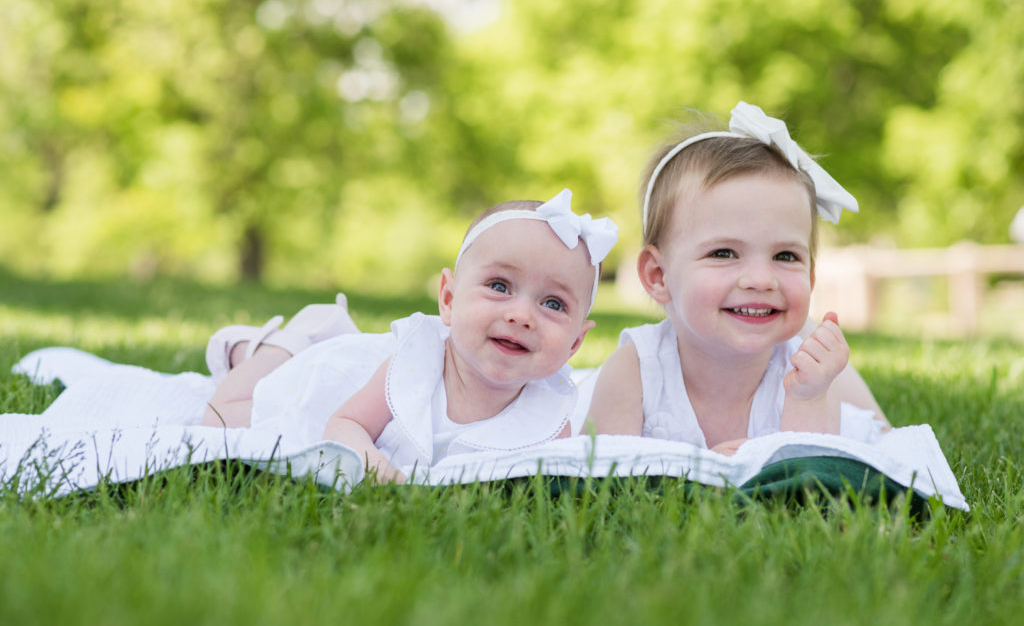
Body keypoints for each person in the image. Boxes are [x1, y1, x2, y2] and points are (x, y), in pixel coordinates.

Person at [203, 189, 618, 483]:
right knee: (221, 418)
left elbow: (551, 485)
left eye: (553, 304)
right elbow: (345, 422)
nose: (522, 315)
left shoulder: (550, 417)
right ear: (449, 299)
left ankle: (325, 332)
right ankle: (287, 342)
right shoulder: (417, 361)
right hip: (337, 387)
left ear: (575, 345)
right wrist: (376, 472)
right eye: (499, 286)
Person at [585, 102, 888, 455]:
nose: (761, 280)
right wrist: (704, 472)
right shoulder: (635, 369)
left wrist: (808, 398)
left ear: (811, 274)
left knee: (880, 437)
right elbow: (604, 478)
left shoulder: (807, 374)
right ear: (658, 276)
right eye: (724, 253)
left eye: (785, 256)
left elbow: (812, 479)